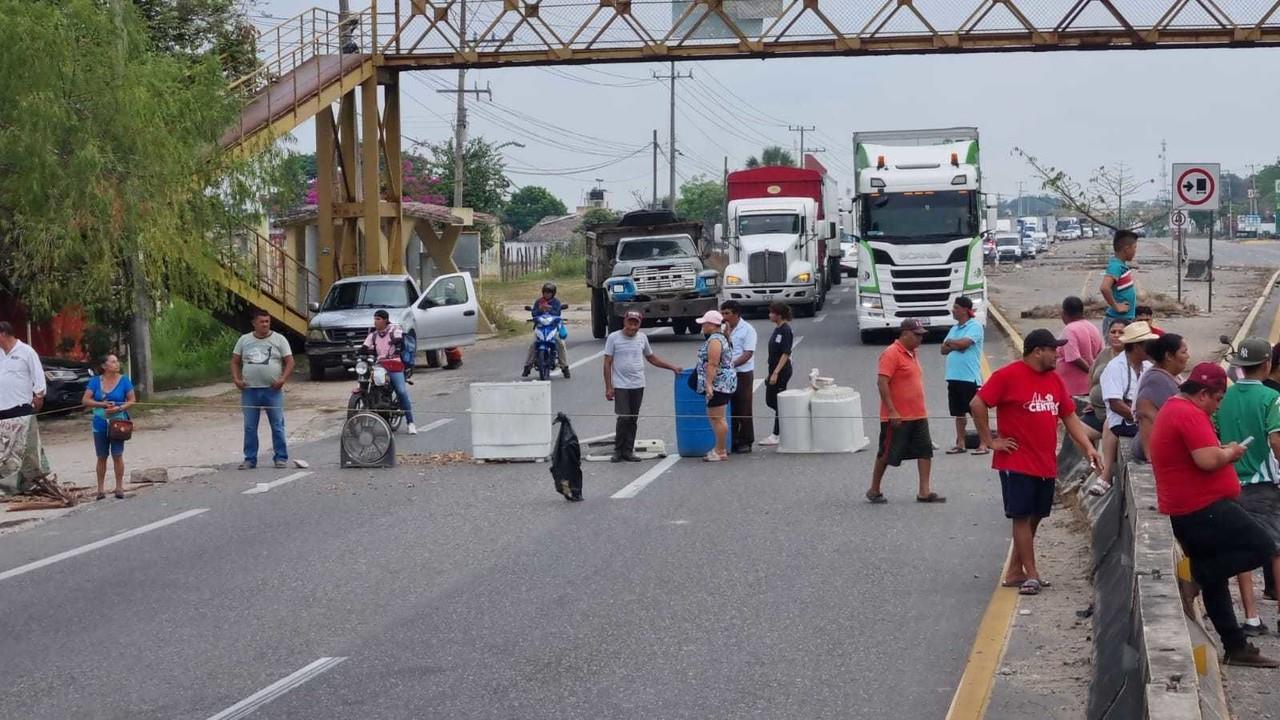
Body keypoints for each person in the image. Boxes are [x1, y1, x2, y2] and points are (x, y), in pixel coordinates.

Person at [1149, 362, 1280, 667]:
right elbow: (1208, 461)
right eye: (1218, 399)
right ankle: (1197, 576)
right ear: (1204, 394)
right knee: (1262, 547)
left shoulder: (1178, 408)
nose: (1217, 406)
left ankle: (1235, 646)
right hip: (1201, 507)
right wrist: (1230, 453)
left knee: (1218, 580)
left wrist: (1221, 449)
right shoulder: (1188, 413)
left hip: (1194, 504)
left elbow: (1200, 454)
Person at [971, 329, 1102, 595]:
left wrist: (1088, 447)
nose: (1058, 354)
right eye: (1053, 349)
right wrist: (989, 440)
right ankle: (1031, 575)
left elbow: (1070, 417)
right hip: (1016, 461)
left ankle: (1015, 570)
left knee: (1036, 516)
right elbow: (977, 403)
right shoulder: (1008, 376)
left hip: (1045, 462)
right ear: (1037, 351)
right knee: (1021, 516)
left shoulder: (1054, 380)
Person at [1215, 337, 1280, 633]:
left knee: (1242, 549)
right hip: (1263, 484)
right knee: (1276, 549)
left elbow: (1213, 435)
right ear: (1266, 364)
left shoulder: (1224, 398)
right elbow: (1276, 441)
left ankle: (1251, 617)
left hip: (1230, 482)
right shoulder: (1271, 399)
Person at [867, 319, 943, 504]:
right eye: (917, 335)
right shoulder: (891, 353)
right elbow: (882, 382)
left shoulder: (913, 353)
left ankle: (924, 491)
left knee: (925, 451)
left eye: (921, 335)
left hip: (918, 413)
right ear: (905, 333)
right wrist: (892, 410)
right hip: (897, 416)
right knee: (886, 453)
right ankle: (874, 489)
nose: (920, 339)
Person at [603, 310, 682, 462]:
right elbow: (607, 363)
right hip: (621, 384)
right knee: (624, 417)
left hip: (638, 383)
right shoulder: (614, 338)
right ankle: (618, 450)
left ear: (639, 324)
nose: (632, 327)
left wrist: (672, 367)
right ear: (624, 322)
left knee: (632, 418)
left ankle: (628, 450)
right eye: (630, 323)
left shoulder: (642, 338)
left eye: (635, 323)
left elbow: (651, 358)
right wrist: (609, 386)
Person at [1091, 321, 1157, 495]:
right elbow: (1115, 403)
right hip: (1124, 422)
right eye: (1147, 345)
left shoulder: (1148, 367)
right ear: (1136, 347)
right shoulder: (1115, 367)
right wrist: (1140, 419)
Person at [231, 308, 295, 469]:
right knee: (250, 426)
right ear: (254, 323)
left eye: (267, 321)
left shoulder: (279, 340)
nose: (265, 325)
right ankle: (250, 459)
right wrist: (236, 379)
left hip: (272, 390)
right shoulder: (244, 340)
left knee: (277, 425)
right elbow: (234, 361)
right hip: (250, 391)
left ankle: (280, 457)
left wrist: (282, 379)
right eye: (262, 322)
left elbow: (290, 361)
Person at [81, 354, 136, 500]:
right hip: (100, 421)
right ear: (104, 366)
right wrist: (102, 404)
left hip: (118, 421)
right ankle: (100, 489)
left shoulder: (124, 380)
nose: (116, 364)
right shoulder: (95, 381)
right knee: (101, 456)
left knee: (117, 454)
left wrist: (119, 408)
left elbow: (132, 400)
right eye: (112, 362)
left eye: (117, 361)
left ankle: (119, 487)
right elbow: (85, 400)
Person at [941, 297, 987, 455]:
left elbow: (964, 345)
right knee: (958, 412)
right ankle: (960, 443)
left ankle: (983, 443)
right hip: (953, 377)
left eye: (956, 307)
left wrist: (953, 344)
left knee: (976, 412)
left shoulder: (975, 326)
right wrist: (955, 344)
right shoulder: (954, 328)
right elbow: (943, 349)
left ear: (966, 310)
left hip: (969, 377)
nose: (953, 310)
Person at [1133, 333, 1189, 464]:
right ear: (1169, 356)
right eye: (1184, 352)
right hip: (1152, 448)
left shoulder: (1170, 376)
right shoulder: (1156, 380)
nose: (1188, 356)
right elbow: (1144, 415)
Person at [361, 309, 417, 435]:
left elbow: (399, 339)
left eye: (378, 319)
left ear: (385, 320)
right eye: (374, 319)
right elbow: (364, 347)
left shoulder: (394, 329)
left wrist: (397, 344)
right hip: (380, 365)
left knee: (401, 391)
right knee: (370, 385)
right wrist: (359, 352)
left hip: (394, 365)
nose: (375, 322)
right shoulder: (373, 334)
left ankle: (410, 423)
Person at [695, 310, 736, 462]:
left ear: (711, 325)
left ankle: (720, 449)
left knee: (717, 418)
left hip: (720, 383)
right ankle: (719, 448)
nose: (702, 327)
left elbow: (713, 364)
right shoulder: (721, 338)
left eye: (704, 324)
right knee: (716, 416)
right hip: (725, 383)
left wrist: (709, 384)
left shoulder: (715, 341)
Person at [720, 300, 757, 453]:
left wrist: (732, 364)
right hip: (726, 373)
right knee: (730, 407)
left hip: (742, 373)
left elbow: (748, 353)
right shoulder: (722, 329)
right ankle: (732, 438)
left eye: (727, 313)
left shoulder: (748, 330)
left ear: (736, 314)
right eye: (722, 313)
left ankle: (746, 440)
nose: (724, 317)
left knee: (744, 407)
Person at [1082, 319, 1127, 434]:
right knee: (1076, 431)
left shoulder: (1131, 357)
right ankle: (1090, 452)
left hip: (1117, 415)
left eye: (1121, 332)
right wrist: (1091, 400)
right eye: (1113, 332)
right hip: (1097, 410)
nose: (1116, 335)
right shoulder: (1104, 353)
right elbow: (1092, 376)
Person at [759, 301, 794, 447]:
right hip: (772, 368)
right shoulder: (777, 329)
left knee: (778, 401)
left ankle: (777, 433)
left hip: (781, 370)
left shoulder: (786, 330)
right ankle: (786, 420)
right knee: (771, 401)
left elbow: (785, 353)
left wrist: (776, 373)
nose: (769, 315)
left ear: (779, 315)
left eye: (772, 313)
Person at [1055, 296, 1103, 400]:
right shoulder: (1092, 327)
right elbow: (1100, 354)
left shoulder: (1070, 329)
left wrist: (1091, 373)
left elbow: (1074, 358)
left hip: (1072, 387)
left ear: (1064, 313)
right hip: (1088, 387)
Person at [522, 282, 570, 379]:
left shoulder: (556, 302)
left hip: (552, 328)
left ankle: (564, 367)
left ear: (553, 293)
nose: (547, 294)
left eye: (549, 292)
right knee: (532, 344)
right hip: (540, 328)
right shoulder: (538, 301)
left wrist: (549, 309)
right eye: (545, 292)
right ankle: (527, 366)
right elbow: (534, 313)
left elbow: (557, 313)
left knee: (560, 344)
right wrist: (540, 309)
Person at [0, 321, 45, 420]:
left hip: (20, 406)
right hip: (1, 407)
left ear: (3, 334)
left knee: (22, 435)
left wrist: (39, 395)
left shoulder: (26, 351)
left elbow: (38, 374)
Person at [1099, 229, 1139, 336]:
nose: (1135, 251)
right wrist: (1116, 306)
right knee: (1115, 352)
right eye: (1134, 247)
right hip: (1116, 323)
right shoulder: (1116, 266)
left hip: (1125, 320)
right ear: (1126, 249)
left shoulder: (1121, 265)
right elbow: (1104, 288)